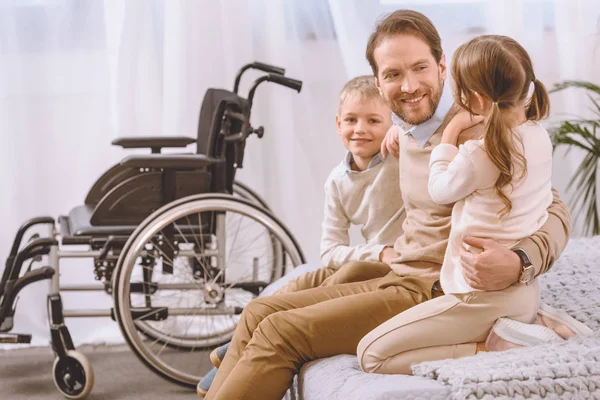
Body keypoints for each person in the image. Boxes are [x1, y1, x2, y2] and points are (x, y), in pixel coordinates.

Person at [202, 10, 571, 400]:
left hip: (434, 289)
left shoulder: (480, 129)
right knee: (262, 312)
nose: (409, 86)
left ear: (442, 67)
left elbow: (554, 208)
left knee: (280, 331)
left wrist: (520, 261)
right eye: (393, 75)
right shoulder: (406, 130)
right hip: (401, 273)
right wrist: (396, 132)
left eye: (420, 68)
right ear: (378, 83)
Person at [356, 34, 592, 375]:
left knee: (370, 355)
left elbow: (439, 190)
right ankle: (533, 320)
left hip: (478, 294)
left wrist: (451, 133)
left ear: (476, 99)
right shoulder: (538, 136)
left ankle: (497, 345)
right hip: (523, 290)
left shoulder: (480, 154)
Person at [197, 75, 400, 397]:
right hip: (377, 257)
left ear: (392, 125)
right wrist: (377, 252)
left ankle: (238, 348)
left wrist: (402, 134)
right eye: (351, 120)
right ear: (338, 124)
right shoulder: (337, 180)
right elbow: (330, 249)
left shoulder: (398, 161)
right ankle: (237, 350)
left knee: (347, 272)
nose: (360, 129)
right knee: (307, 281)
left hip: (396, 265)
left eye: (373, 120)